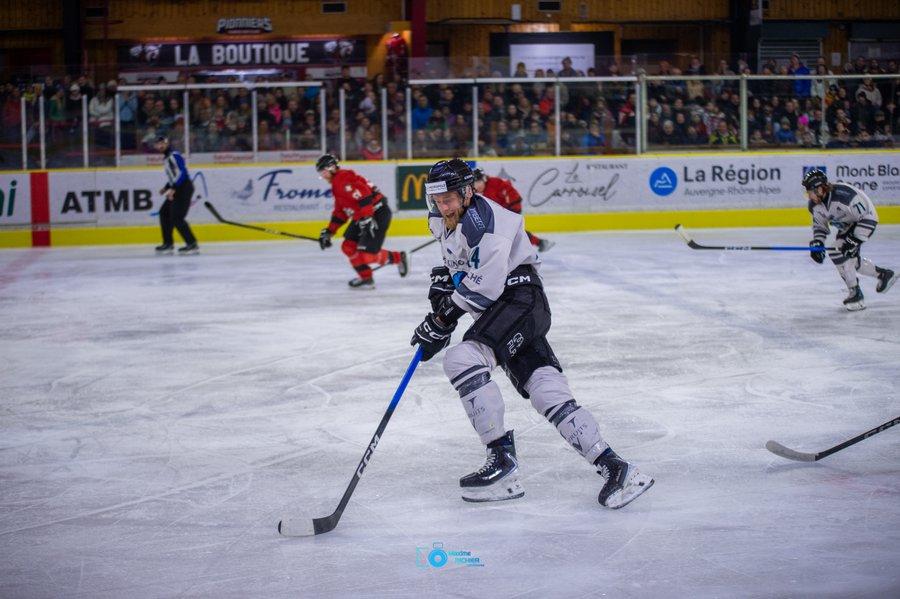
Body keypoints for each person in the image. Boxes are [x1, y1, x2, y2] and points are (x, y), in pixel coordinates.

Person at [410, 159, 653, 509]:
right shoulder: (440, 217)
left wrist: (443, 317)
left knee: (462, 358)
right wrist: (442, 293)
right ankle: (617, 468)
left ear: (466, 193)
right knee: (544, 387)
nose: (443, 206)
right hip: (505, 308)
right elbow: (459, 265)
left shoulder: (487, 223)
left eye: (448, 199)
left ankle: (501, 462)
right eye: (437, 200)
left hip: (519, 299)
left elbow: (486, 286)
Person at [803, 168, 896, 310]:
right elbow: (820, 227)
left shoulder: (845, 196)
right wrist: (818, 243)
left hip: (865, 221)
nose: (809, 196)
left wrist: (854, 240)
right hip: (847, 225)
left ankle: (855, 293)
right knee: (845, 256)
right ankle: (884, 275)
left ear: (820, 188)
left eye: (810, 191)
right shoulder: (815, 205)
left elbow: (868, 217)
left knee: (842, 253)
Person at [315, 154, 408, 289]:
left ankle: (399, 257)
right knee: (348, 246)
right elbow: (341, 212)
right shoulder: (337, 183)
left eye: (324, 172)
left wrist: (367, 217)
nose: (323, 176)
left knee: (367, 256)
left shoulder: (342, 178)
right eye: (321, 173)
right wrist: (329, 232)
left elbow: (364, 194)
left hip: (377, 213)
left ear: (332, 168)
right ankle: (366, 278)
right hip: (364, 216)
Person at [472, 168, 554, 252]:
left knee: (513, 232)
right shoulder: (476, 190)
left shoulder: (495, 183)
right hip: (499, 213)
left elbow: (511, 192)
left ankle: (539, 243)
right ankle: (539, 243)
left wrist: (514, 210)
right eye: (475, 183)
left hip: (511, 209)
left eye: (479, 182)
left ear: (484, 179)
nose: (477, 186)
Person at [154, 136, 198, 254]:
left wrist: (173, 188)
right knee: (164, 212)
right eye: (158, 144)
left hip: (184, 188)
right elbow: (174, 176)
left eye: (162, 143)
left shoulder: (174, 155)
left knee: (177, 218)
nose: (160, 146)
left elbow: (182, 173)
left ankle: (192, 243)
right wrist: (166, 188)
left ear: (167, 143)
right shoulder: (166, 158)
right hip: (178, 187)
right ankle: (168, 243)